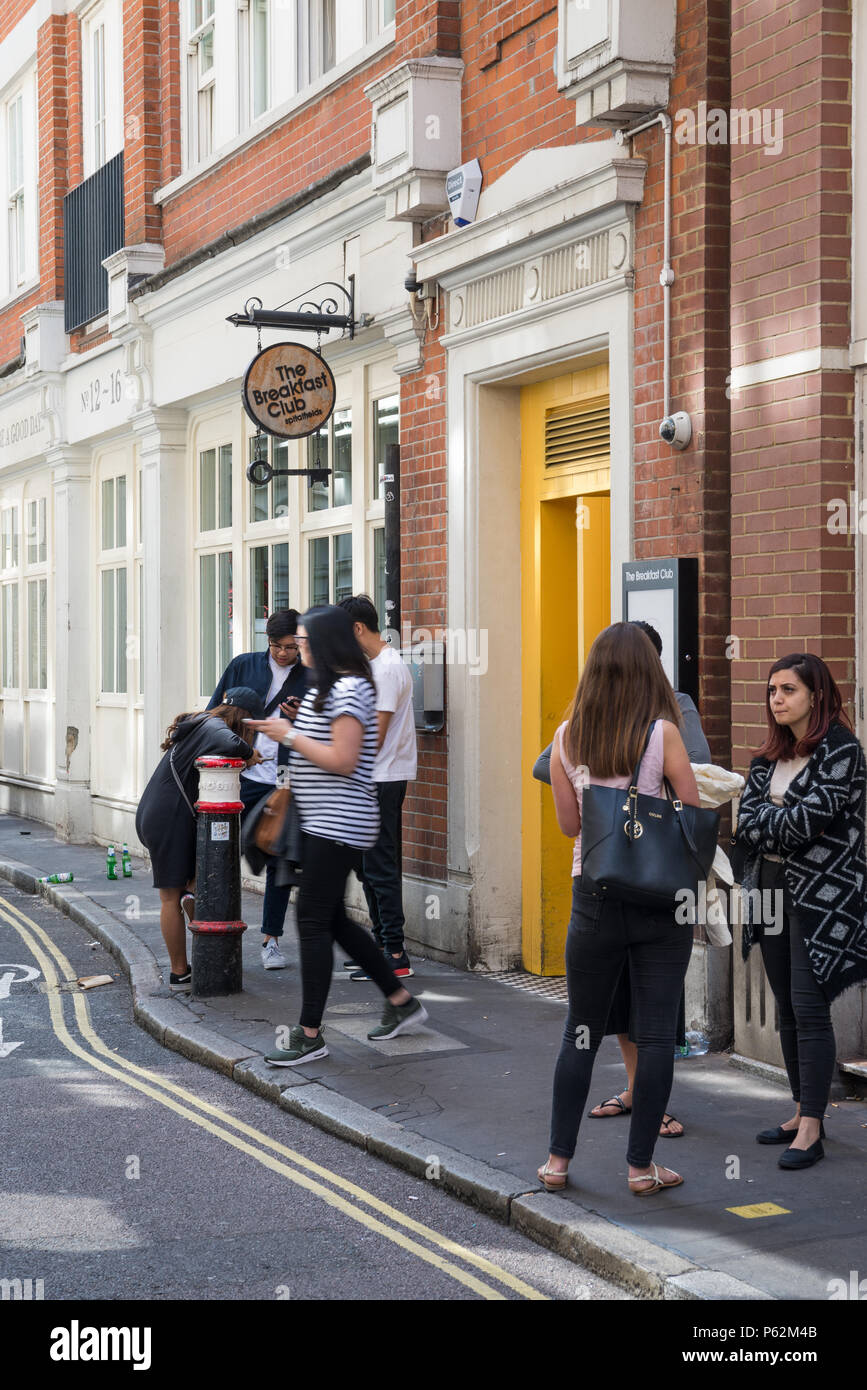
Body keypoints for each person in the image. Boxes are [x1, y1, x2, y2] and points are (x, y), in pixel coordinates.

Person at [538, 622, 700, 1196]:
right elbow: (691, 815)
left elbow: (569, 826)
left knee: (580, 1031)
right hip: (658, 901)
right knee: (655, 1034)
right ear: (648, 671)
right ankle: (640, 1168)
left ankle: (557, 1163)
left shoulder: (565, 738)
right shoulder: (664, 735)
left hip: (594, 897)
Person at [244, 605, 429, 1066]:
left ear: (325, 643)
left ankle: (309, 1034)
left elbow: (345, 760)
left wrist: (288, 735)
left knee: (312, 921)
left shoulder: (350, 688)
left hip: (339, 822)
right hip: (321, 820)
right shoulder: (328, 688)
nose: (297, 648)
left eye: (304, 642)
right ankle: (401, 1001)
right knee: (332, 921)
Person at [733, 653, 867, 1170]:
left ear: (816, 695)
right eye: (772, 691)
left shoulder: (841, 752)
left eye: (788, 689)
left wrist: (770, 820)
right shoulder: (767, 757)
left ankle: (812, 1129)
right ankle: (799, 1110)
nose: (777, 699)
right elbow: (747, 824)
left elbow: (800, 825)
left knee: (810, 1008)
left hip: (821, 898)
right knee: (786, 1006)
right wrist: (773, 820)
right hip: (767, 890)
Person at [135, 689, 263, 990]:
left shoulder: (201, 724)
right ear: (243, 718)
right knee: (170, 897)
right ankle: (179, 973)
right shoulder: (212, 726)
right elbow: (230, 743)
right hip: (168, 818)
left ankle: (212, 950)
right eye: (253, 725)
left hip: (164, 813)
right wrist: (250, 754)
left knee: (192, 886)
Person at [208, 609, 308, 969]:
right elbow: (214, 714)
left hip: (283, 780)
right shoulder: (242, 665)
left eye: (290, 648)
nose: (283, 654)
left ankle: (271, 940)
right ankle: (215, 925)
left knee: (280, 858)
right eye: (276, 646)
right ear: (266, 641)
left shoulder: (310, 677)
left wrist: (300, 720)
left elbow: (321, 731)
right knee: (220, 847)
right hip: (242, 776)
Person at [338, 594, 417, 980]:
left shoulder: (386, 668)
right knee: (370, 867)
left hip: (382, 778)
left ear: (357, 628)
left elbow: (377, 735)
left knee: (381, 866)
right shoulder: (375, 666)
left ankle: (396, 953)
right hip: (373, 777)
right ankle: (382, 944)